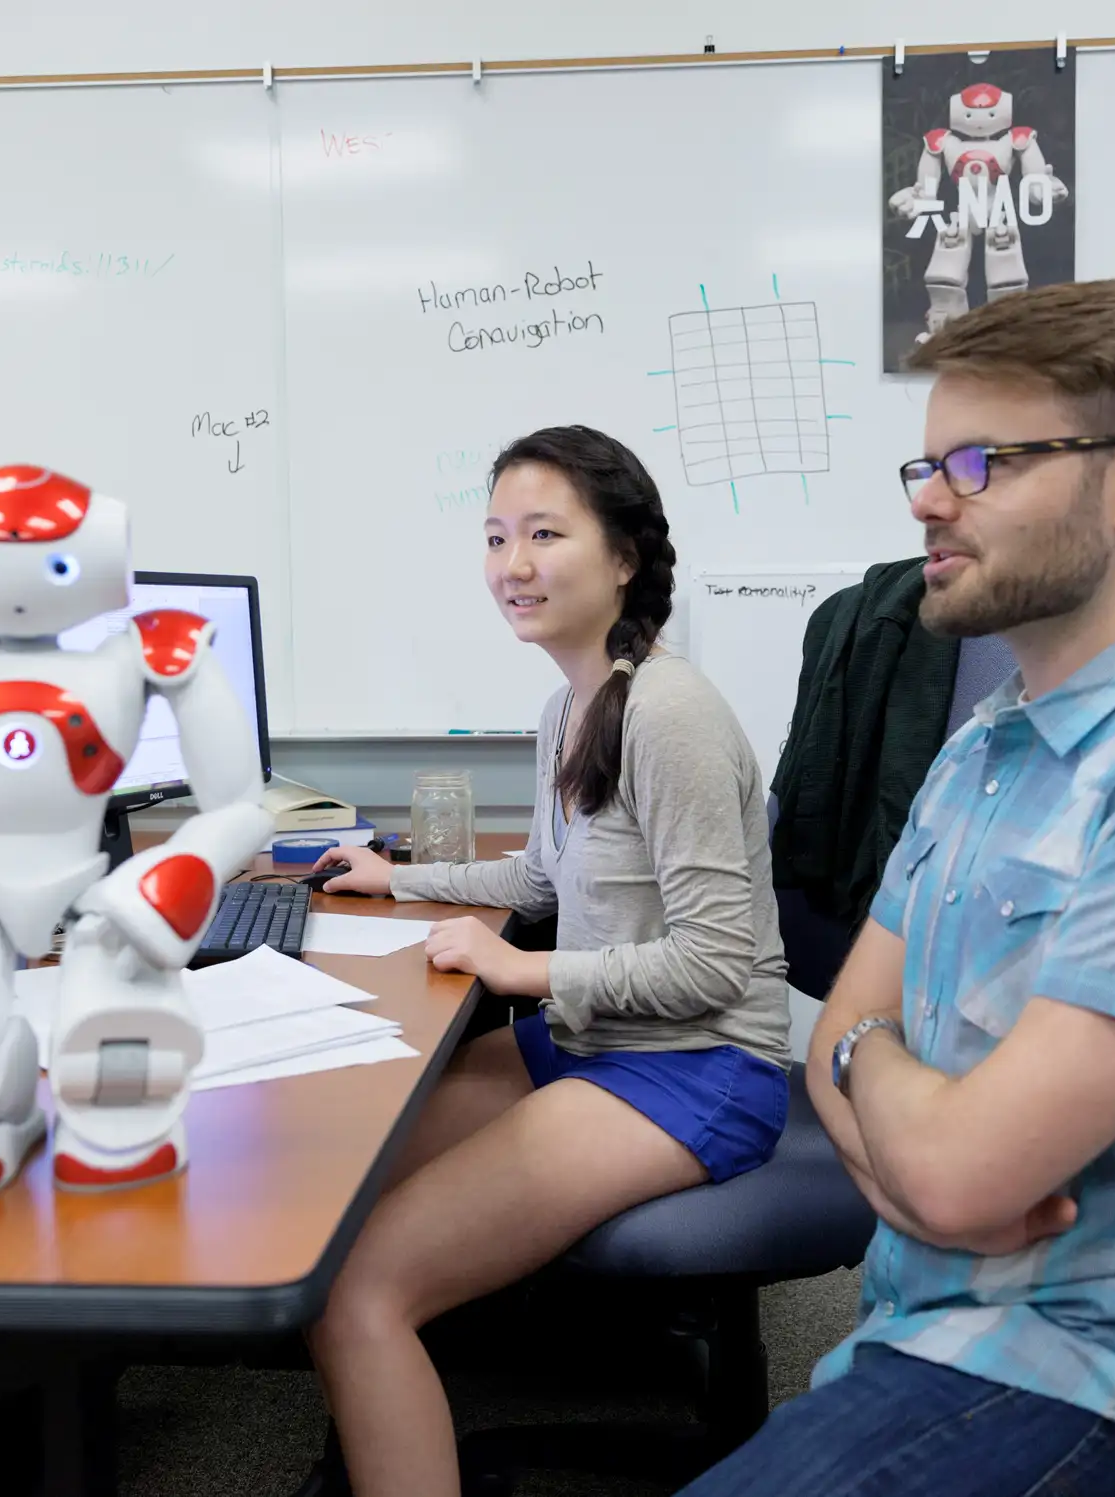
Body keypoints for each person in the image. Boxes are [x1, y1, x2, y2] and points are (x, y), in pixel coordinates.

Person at [680, 279, 1115, 1497]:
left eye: (983, 462)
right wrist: (907, 1115)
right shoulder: (982, 746)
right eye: (928, 463)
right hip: (912, 1327)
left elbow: (928, 1149)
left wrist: (897, 1110)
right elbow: (842, 1036)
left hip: (1086, 1381)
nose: (930, 499)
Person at [303, 424, 795, 1497]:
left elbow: (713, 967)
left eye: (542, 534)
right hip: (598, 1041)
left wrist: (522, 974)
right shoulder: (570, 701)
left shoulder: (670, 715)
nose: (511, 566)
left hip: (696, 1067)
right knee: (336, 1180)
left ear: (622, 557)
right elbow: (541, 878)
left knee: (358, 1292)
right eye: (494, 537)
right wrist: (396, 880)